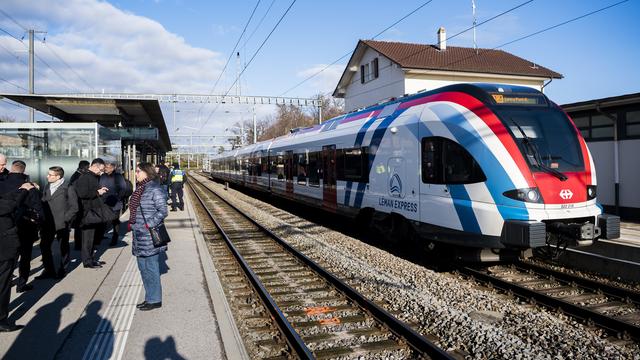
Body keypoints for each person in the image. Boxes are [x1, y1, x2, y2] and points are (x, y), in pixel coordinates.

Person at [128, 162, 168, 311]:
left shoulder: (154, 189)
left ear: (146, 172)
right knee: (142, 268)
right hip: (138, 235)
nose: (136, 174)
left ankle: (155, 299)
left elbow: (163, 211)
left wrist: (147, 224)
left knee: (151, 267)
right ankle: (149, 297)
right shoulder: (141, 188)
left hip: (149, 235)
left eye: (138, 171)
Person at [0, 161, 44, 293]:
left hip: (7, 227)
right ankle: (21, 284)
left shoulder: (2, 184)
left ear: (10, 169)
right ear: (24, 171)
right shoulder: (29, 187)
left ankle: (7, 280)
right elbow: (39, 209)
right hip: (27, 226)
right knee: (25, 257)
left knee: (9, 258)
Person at [0, 181, 35, 332]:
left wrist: (20, 190)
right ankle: (1, 321)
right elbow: (7, 206)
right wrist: (24, 192)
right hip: (3, 247)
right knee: (3, 283)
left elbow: (4, 199)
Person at [40, 166, 77, 279]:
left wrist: (66, 219)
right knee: (44, 246)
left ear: (58, 176)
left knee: (63, 247)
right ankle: (49, 270)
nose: (47, 176)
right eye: (48, 174)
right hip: (47, 223)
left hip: (62, 223)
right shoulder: (47, 186)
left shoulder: (68, 187)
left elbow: (74, 207)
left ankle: (63, 269)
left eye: (50, 175)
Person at [75, 158, 108, 268]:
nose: (101, 172)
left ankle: (91, 258)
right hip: (87, 212)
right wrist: (97, 192)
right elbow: (82, 193)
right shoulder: (85, 177)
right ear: (94, 166)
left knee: (92, 237)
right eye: (101, 169)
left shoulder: (93, 177)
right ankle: (87, 261)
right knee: (88, 238)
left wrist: (100, 191)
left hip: (92, 211)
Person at [98, 161, 127, 246]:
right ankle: (101, 235)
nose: (105, 169)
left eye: (107, 167)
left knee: (115, 221)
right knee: (103, 219)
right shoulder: (102, 176)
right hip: (104, 201)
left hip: (115, 202)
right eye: (105, 167)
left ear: (113, 168)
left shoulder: (118, 176)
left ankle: (115, 238)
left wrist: (118, 198)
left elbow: (123, 188)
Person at [70, 160, 90, 251]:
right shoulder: (76, 177)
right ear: (84, 167)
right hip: (78, 204)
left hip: (81, 203)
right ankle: (78, 245)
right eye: (88, 167)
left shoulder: (78, 175)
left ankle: (79, 244)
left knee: (80, 225)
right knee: (78, 225)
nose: (89, 169)